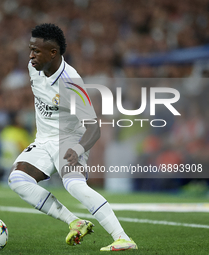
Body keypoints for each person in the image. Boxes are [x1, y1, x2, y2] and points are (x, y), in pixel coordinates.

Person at [8, 23, 137, 251]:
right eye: (30, 49)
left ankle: (122, 237)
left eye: (36, 51)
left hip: (69, 138)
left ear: (53, 53)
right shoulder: (32, 67)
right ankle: (75, 222)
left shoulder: (71, 83)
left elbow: (94, 128)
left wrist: (77, 150)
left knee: (74, 185)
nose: (30, 56)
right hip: (43, 138)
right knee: (18, 180)